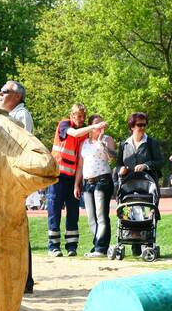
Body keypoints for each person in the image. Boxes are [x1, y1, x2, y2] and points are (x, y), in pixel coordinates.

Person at [48, 104, 107, 257]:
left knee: (73, 213)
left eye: (83, 116)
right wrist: (93, 125)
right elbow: (73, 133)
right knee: (54, 211)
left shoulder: (84, 134)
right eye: (78, 116)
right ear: (72, 115)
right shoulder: (64, 125)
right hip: (58, 176)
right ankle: (53, 246)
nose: (81, 119)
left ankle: (71, 246)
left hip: (73, 178)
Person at [0, 80, 35, 292]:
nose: (0, 94)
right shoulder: (3, 114)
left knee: (17, 227)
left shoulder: (21, 116)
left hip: (13, 178)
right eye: (1, 91)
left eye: (5, 91)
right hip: (4, 177)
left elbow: (21, 146)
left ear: (17, 96)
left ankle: (25, 280)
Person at [116, 112, 164, 256]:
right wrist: (121, 169)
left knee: (147, 213)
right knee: (130, 212)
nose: (142, 128)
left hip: (148, 186)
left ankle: (147, 243)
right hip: (129, 186)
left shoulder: (151, 143)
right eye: (139, 125)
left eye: (144, 125)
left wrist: (146, 165)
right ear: (132, 126)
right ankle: (134, 244)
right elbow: (118, 164)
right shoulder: (124, 144)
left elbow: (160, 162)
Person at [74, 114, 115, 257]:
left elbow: (112, 157)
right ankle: (98, 244)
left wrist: (101, 143)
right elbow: (80, 166)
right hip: (87, 183)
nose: (99, 126)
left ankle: (101, 248)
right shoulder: (84, 143)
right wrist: (76, 185)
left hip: (102, 180)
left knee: (101, 215)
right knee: (91, 217)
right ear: (90, 126)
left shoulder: (107, 139)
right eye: (96, 124)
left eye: (101, 124)